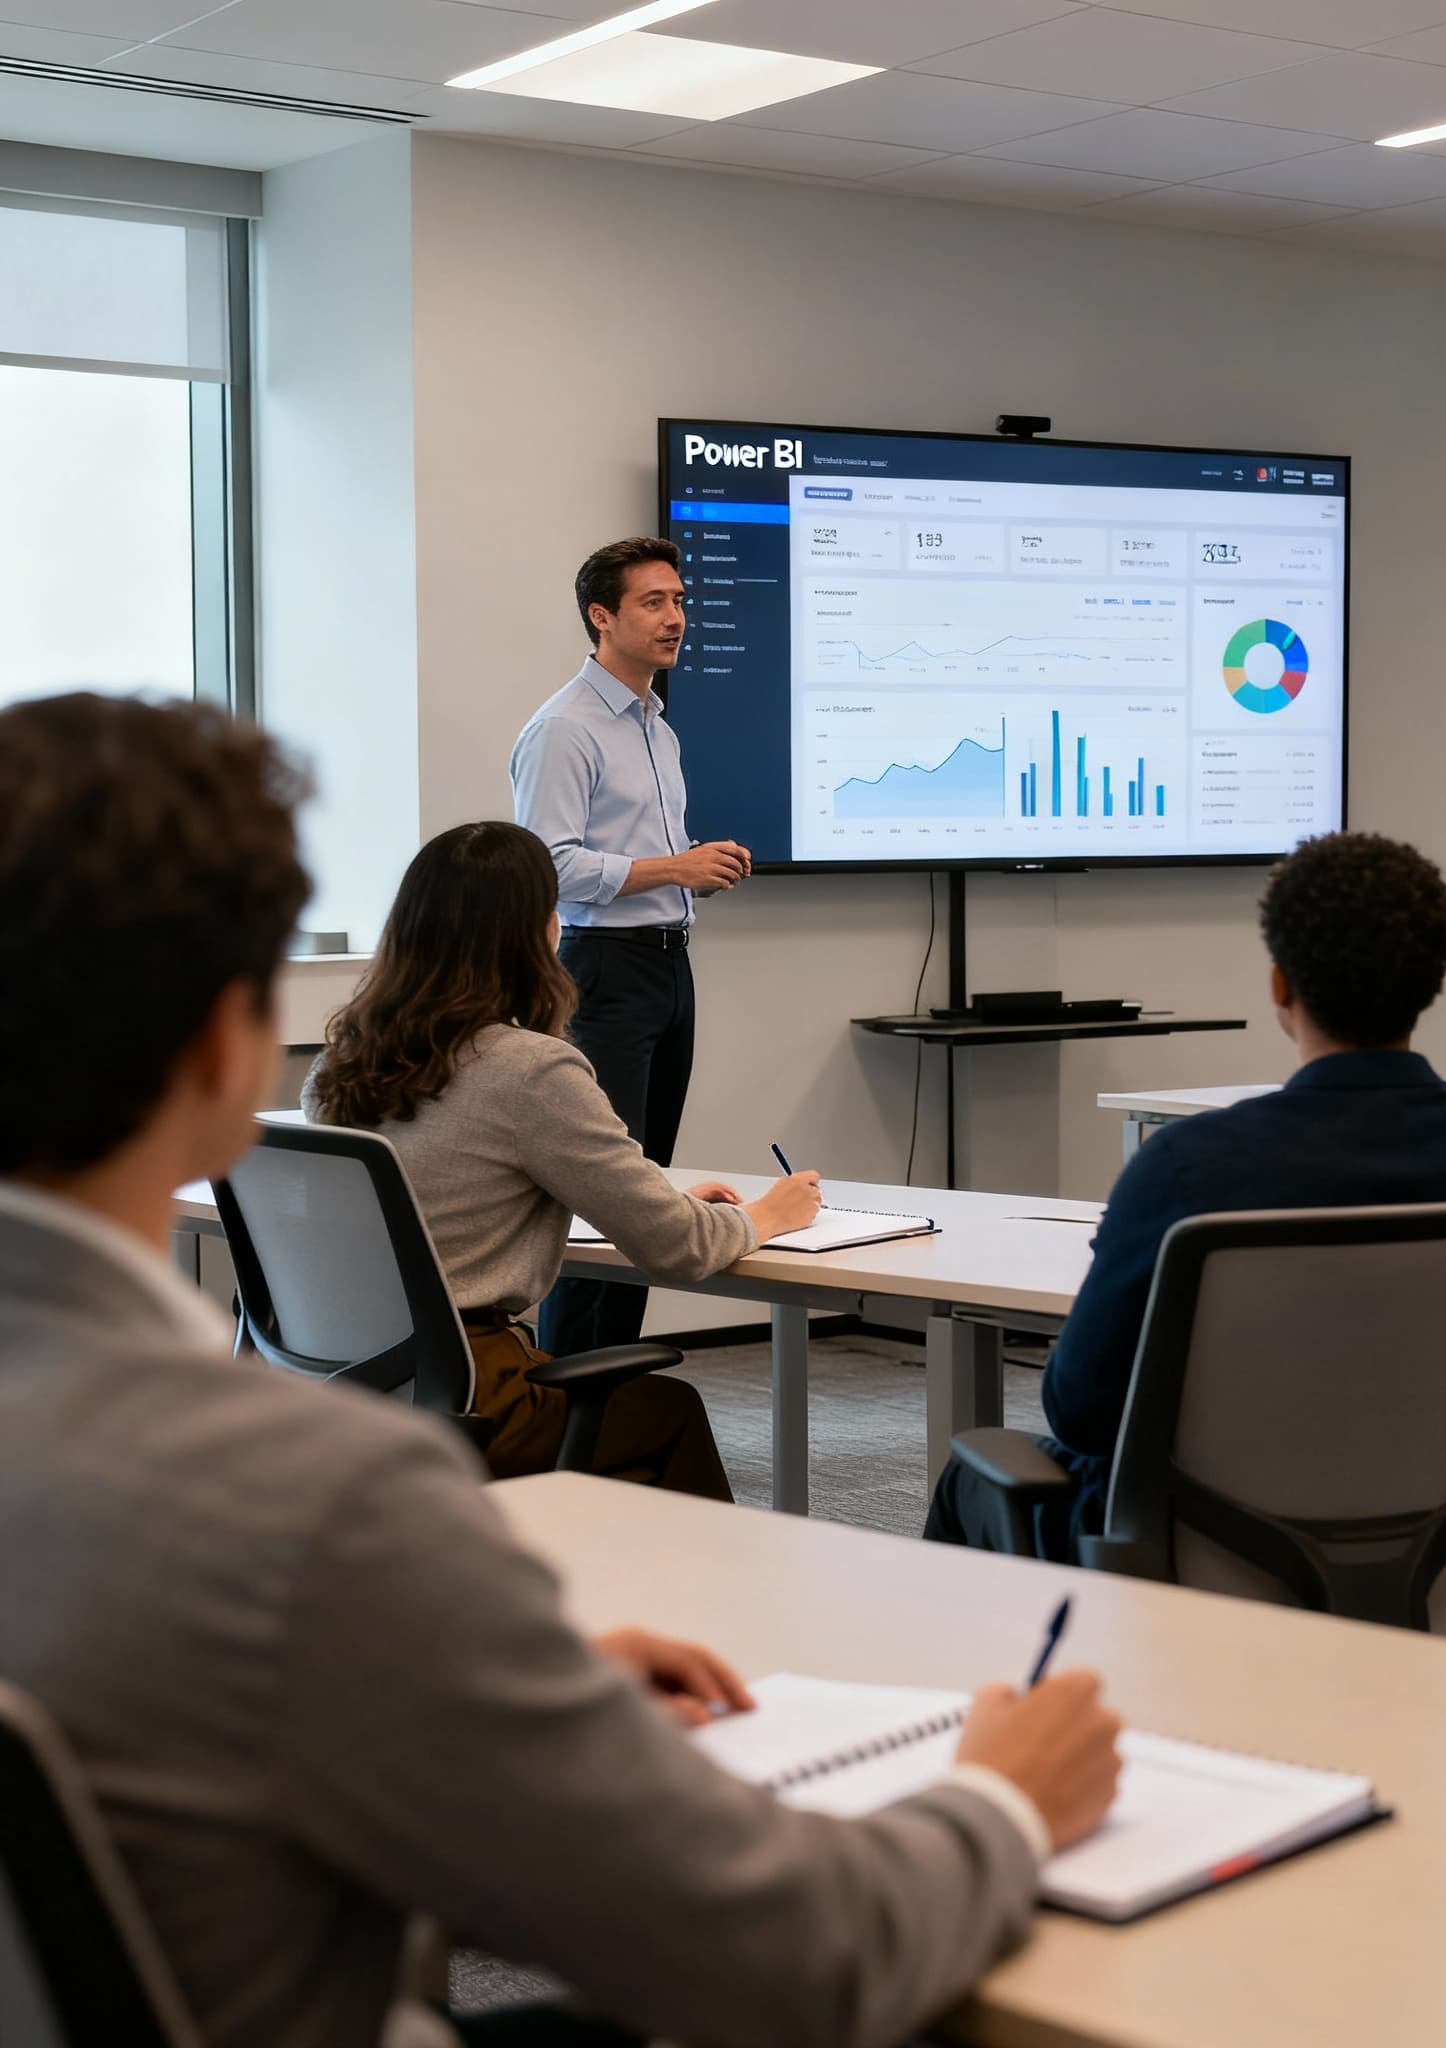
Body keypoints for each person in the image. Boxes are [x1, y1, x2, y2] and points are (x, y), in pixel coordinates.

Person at [0, 693, 1122, 2048]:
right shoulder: (321, 1513)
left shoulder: (342, 1103)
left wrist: (473, 1662)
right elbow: (790, 1961)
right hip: (475, 1397)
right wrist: (1002, 1798)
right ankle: (764, 1721)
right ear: (226, 1047)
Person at [925, 830, 1446, 1563]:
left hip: (1207, 1559)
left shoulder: (1189, 1168)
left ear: (1281, 985)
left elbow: (1084, 1413)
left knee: (975, 1476)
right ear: (1431, 983)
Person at [305, 821, 822, 1494]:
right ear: (535, 933)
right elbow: (680, 1250)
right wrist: (771, 1216)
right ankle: (691, 1601)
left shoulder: (337, 1063)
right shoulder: (530, 1070)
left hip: (338, 1382)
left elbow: (451, 1194)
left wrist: (648, 1199)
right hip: (461, 1384)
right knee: (669, 1413)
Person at [512, 537, 753, 1363]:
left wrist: (691, 871)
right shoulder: (564, 730)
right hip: (603, 973)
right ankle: (570, 1395)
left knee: (645, 1187)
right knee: (600, 1196)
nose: (675, 618)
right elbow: (546, 863)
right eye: (654, 602)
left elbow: (636, 854)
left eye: (680, 601)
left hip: (667, 965)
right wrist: (672, 867)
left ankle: (612, 1391)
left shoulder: (657, 727)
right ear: (601, 616)